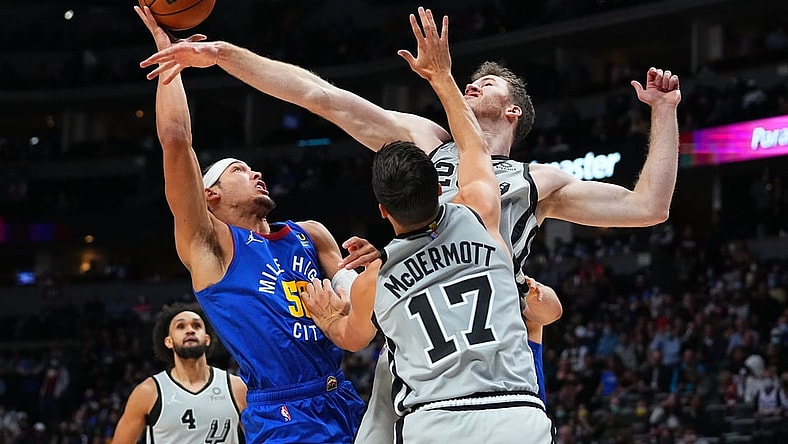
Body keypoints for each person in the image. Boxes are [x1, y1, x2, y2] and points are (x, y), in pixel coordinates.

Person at [140, 6, 680, 442]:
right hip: (407, 352)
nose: (472, 84)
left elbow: (648, 206)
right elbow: (321, 98)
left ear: (513, 110)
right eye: (467, 81)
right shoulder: (426, 142)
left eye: (487, 82)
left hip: (488, 357)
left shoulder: (538, 182)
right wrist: (222, 54)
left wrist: (664, 109)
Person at [301, 9, 553, 443]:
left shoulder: (376, 278)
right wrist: (442, 77)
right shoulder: (482, 220)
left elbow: (352, 336)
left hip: (435, 417)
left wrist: (328, 317)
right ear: (443, 190)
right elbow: (475, 154)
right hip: (515, 409)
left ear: (382, 210)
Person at [133, 6, 366, 443]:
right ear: (210, 196)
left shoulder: (311, 234)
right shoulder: (212, 247)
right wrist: (170, 67)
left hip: (346, 398)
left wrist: (374, 268)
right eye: (239, 169)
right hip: (282, 411)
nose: (256, 173)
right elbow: (176, 142)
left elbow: (363, 313)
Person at [112, 302, 247, 444]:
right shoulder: (148, 392)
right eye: (181, 327)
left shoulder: (236, 388)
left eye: (196, 326)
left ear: (207, 339)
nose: (190, 330)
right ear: (169, 342)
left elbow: (261, 438)